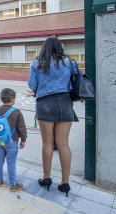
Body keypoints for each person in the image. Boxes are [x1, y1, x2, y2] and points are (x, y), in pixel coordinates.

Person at [28, 37, 80, 197]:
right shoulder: (69, 62)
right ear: (59, 47)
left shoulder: (36, 63)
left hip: (44, 104)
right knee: (63, 145)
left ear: (44, 48)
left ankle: (46, 178)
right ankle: (65, 183)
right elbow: (77, 79)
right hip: (65, 103)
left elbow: (32, 85)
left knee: (47, 144)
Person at [0, 88, 27, 192]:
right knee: (11, 162)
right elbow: (22, 128)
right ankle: (13, 184)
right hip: (12, 141)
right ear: (13, 100)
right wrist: (23, 140)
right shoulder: (16, 112)